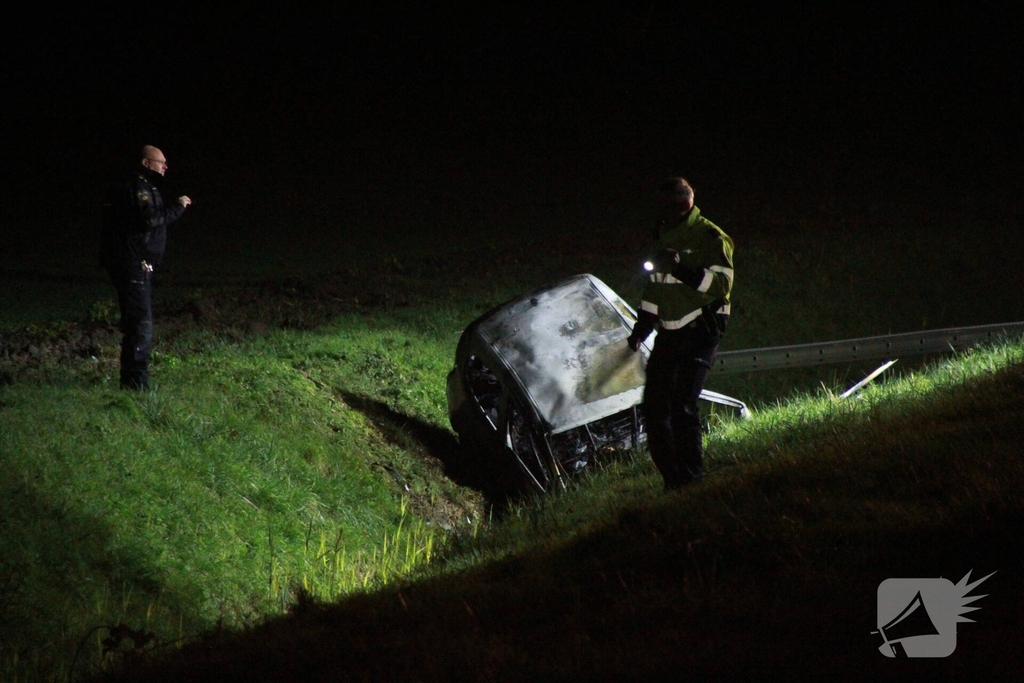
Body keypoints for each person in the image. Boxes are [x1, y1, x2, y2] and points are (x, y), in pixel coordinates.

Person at [626, 177, 734, 490]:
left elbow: (722, 284)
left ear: (684, 205)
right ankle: (673, 480)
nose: (659, 214)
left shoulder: (710, 236)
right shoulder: (664, 236)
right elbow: (654, 289)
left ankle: (693, 478)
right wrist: (641, 330)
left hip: (701, 328)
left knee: (682, 405)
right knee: (655, 406)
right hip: (670, 332)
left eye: (666, 207)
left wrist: (681, 269)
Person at [100, 145, 192, 390]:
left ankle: (134, 381)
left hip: (137, 264)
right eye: (160, 162)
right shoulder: (139, 187)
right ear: (145, 163)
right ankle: (135, 385)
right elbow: (150, 219)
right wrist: (178, 208)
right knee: (141, 324)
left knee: (139, 323)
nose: (165, 167)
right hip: (133, 264)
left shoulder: (146, 186)